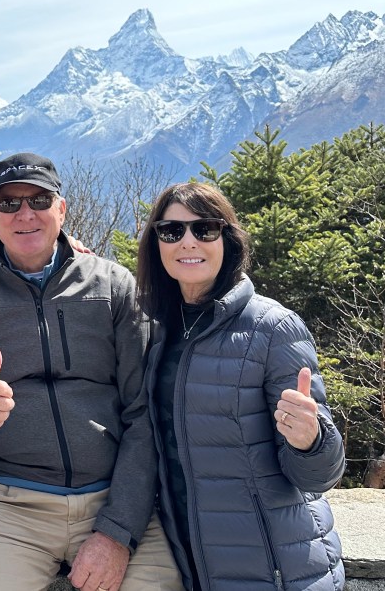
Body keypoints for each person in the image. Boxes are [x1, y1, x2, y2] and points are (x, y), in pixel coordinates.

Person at [0, 152, 183, 591]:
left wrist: (117, 531)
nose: (25, 214)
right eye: (9, 203)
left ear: (62, 209)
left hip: (112, 496)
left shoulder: (113, 287)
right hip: (6, 505)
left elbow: (145, 413)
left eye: (39, 200)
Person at [136, 182, 346, 590]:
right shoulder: (149, 326)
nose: (188, 242)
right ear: (156, 243)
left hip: (277, 570)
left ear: (227, 239)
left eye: (205, 229)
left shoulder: (273, 328)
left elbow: (320, 476)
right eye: (172, 231)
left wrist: (311, 439)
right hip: (189, 564)